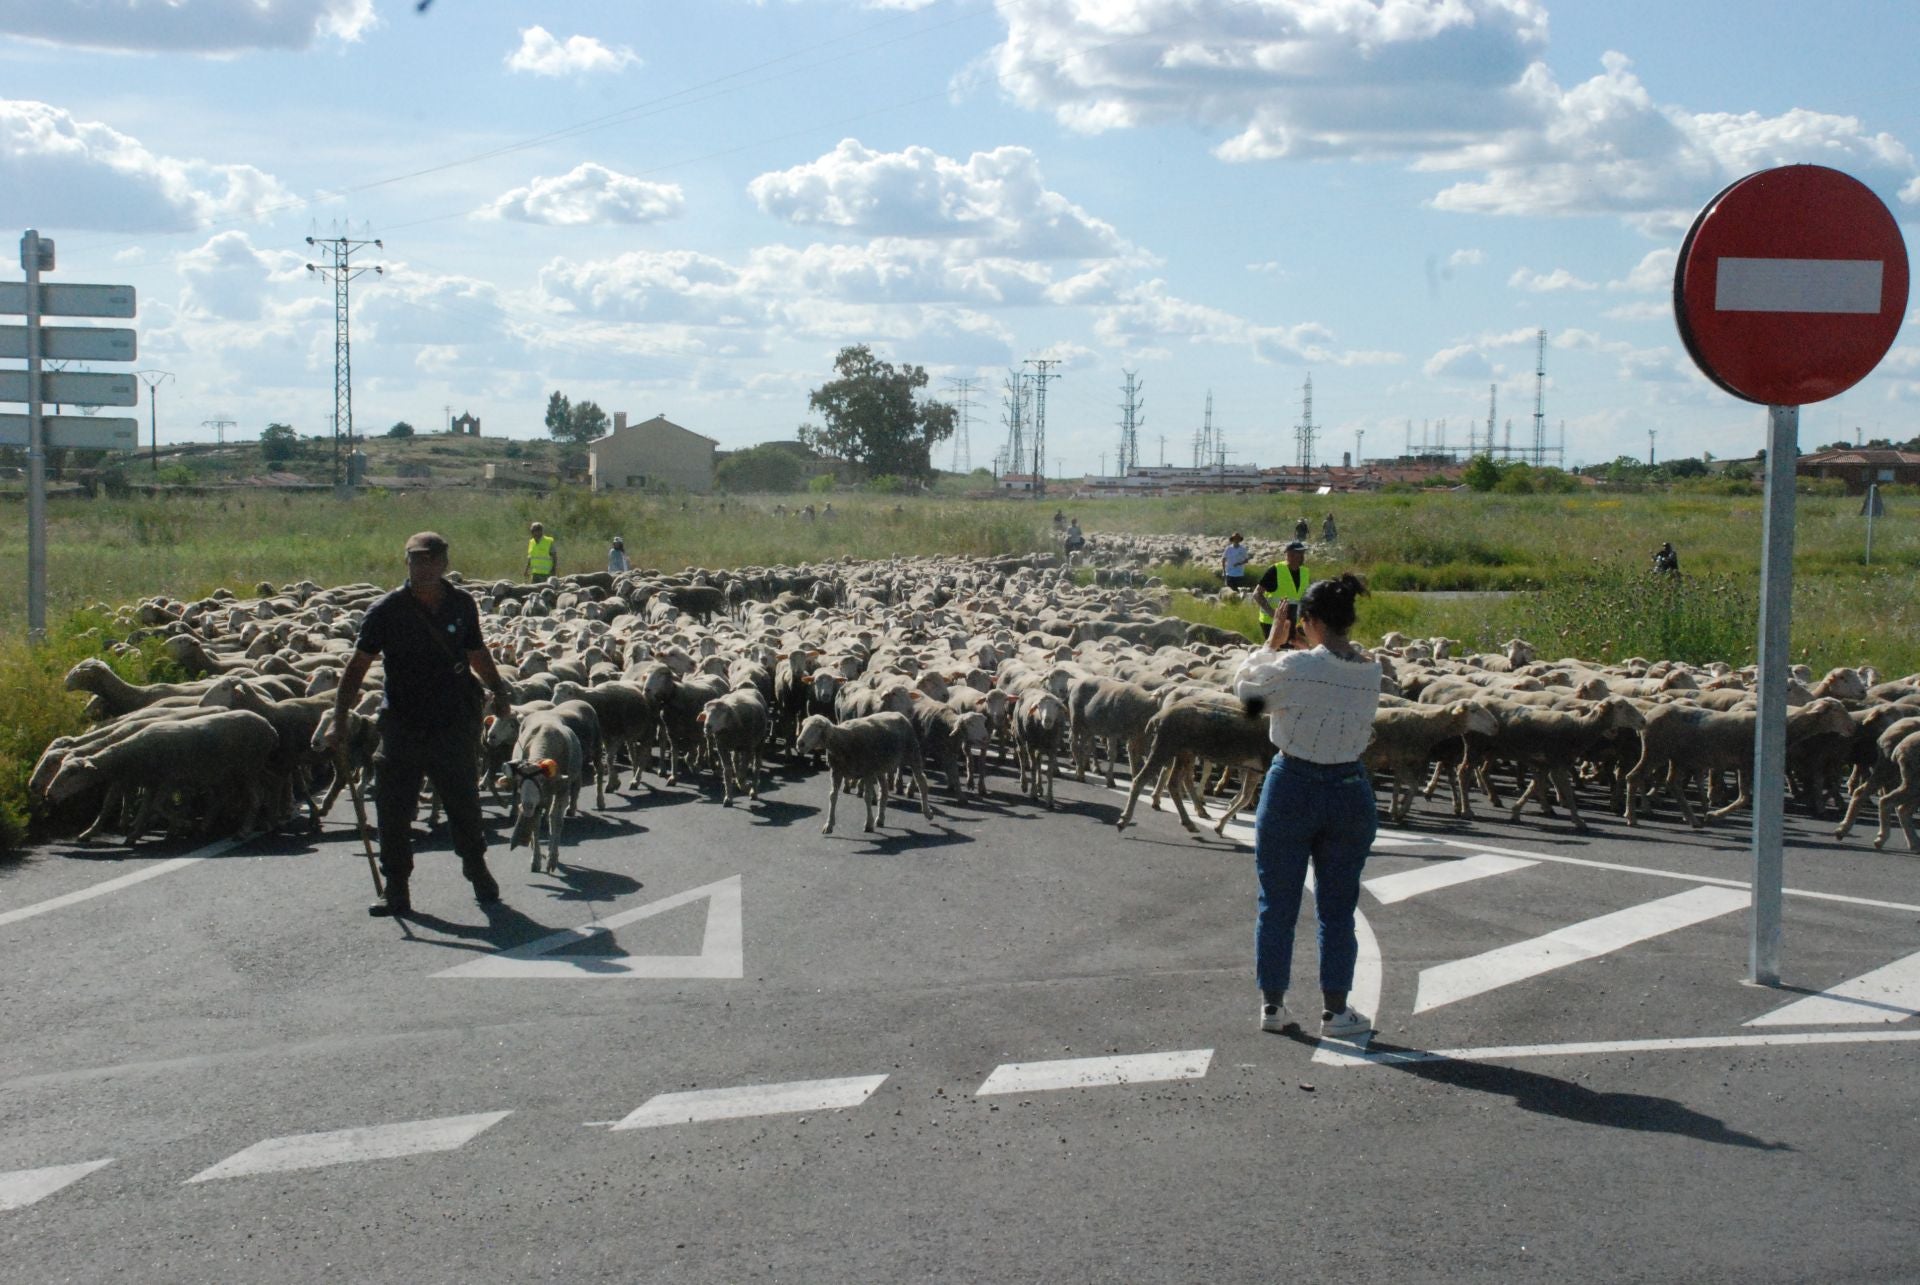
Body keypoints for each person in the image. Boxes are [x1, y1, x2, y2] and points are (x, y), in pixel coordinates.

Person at [328, 531, 516, 919]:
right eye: (417, 560)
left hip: (452, 721)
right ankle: (396, 887)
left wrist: (498, 687)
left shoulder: (462, 604)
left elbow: (476, 650)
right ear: (407, 563)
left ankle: (476, 867)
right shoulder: (386, 610)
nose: (424, 567)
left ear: (445, 563)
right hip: (403, 722)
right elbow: (357, 665)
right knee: (393, 807)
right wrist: (339, 718)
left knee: (463, 801)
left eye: (431, 560)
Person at [1233, 573, 1383, 1037]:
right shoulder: (1371, 671)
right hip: (1348, 790)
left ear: (1310, 620)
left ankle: (1273, 1006)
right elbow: (1333, 676)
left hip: (1292, 787)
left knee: (1277, 902)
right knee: (1338, 907)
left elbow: (1248, 700)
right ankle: (1336, 1012)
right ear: (1349, 620)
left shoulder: (1295, 666)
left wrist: (1271, 645)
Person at [1254, 540, 1310, 643]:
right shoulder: (1275, 570)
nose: (1302, 556)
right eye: (1299, 553)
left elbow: (1303, 598)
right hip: (1272, 623)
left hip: (1292, 622)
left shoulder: (1305, 572)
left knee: (1294, 649)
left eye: (1303, 553)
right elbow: (1257, 594)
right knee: (1276, 650)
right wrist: (1273, 613)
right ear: (1289, 554)